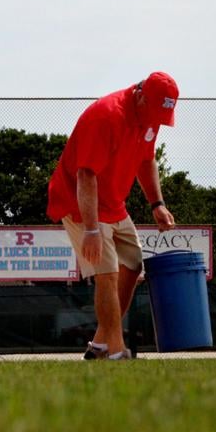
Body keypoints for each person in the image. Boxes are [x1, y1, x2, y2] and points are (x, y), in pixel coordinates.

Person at [47, 72, 179, 360]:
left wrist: (157, 203)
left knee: (132, 264)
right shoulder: (107, 116)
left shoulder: (150, 120)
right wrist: (92, 230)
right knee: (106, 274)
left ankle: (100, 343)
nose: (156, 121)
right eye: (155, 111)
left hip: (114, 203)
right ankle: (117, 351)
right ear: (141, 95)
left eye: (162, 116)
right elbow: (85, 174)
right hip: (80, 201)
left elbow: (146, 160)